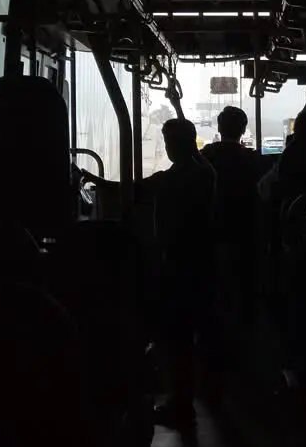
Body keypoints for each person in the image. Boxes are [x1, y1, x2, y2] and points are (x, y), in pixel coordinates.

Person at [82, 118, 215, 427]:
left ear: (177, 143)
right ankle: (185, 400)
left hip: (179, 264)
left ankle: (180, 404)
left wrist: (95, 182)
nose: (166, 148)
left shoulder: (181, 176)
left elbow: (136, 190)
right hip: (196, 263)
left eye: (168, 142)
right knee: (184, 336)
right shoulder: (202, 171)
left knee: (175, 336)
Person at [201, 107, 266, 327]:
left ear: (219, 128)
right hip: (247, 231)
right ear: (243, 129)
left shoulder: (207, 155)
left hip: (213, 230)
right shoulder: (253, 159)